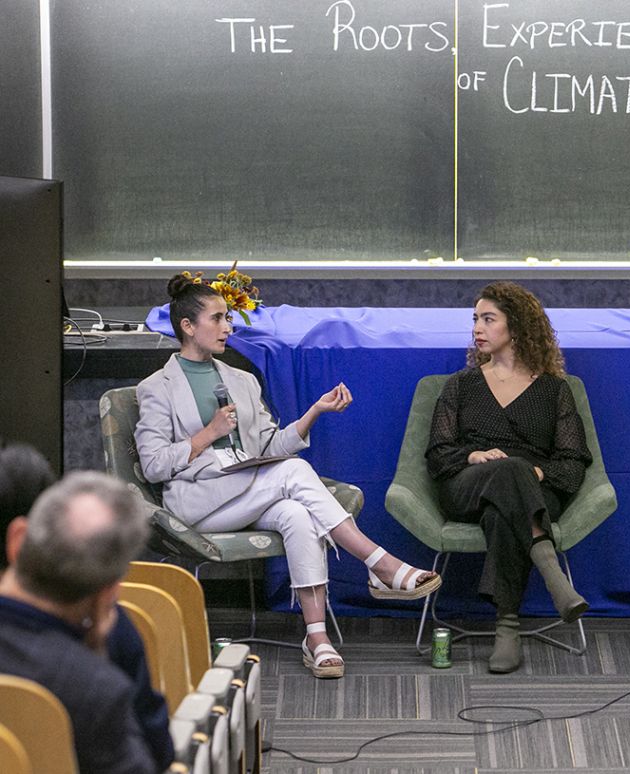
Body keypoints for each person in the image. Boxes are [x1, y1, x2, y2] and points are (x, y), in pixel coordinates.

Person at [135, 274, 439, 679]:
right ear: (188, 326)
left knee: (297, 513)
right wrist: (207, 434)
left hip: (245, 489)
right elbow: (154, 464)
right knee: (294, 473)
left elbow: (266, 450)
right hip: (196, 504)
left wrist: (314, 412)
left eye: (228, 318)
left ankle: (316, 638)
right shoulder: (157, 387)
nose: (229, 327)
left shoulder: (240, 380)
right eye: (218, 318)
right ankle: (378, 562)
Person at [426, 281, 593, 673]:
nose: (477, 329)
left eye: (488, 319)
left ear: (515, 326)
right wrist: (473, 454)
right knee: (505, 475)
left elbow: (572, 460)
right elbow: (437, 454)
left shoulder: (554, 390)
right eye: (475, 320)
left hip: (534, 486)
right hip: (468, 483)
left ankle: (507, 625)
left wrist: (536, 469)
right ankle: (550, 570)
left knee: (505, 504)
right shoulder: (462, 385)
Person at [0, 442, 174, 769]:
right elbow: (157, 756)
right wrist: (98, 653)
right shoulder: (96, 690)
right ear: (109, 592)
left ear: (18, 539)